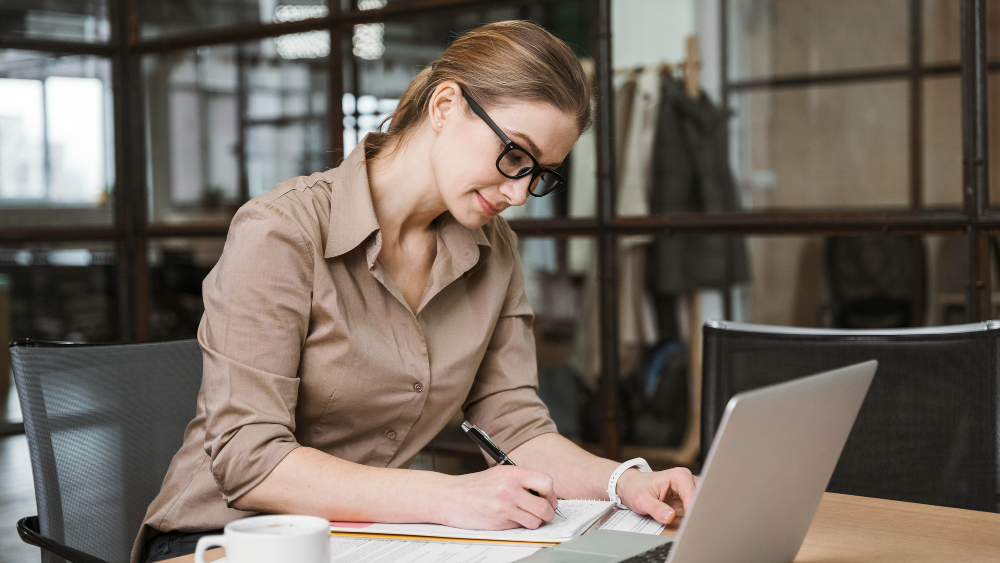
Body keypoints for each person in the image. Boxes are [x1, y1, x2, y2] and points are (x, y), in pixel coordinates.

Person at [134, 20, 697, 563]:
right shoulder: (282, 231)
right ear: (445, 106)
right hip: (226, 540)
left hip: (377, 539)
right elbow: (249, 460)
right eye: (514, 156)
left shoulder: (492, 248)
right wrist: (453, 498)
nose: (520, 192)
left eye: (540, 174)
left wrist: (625, 482)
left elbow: (516, 424)